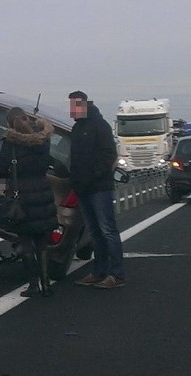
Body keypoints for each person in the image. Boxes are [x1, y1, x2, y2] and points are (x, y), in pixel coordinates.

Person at [68, 90, 126, 288]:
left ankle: (116, 275)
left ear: (84, 104)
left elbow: (108, 154)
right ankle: (99, 271)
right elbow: (74, 159)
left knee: (107, 230)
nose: (72, 110)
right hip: (83, 188)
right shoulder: (77, 129)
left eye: (75, 105)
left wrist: (91, 176)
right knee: (94, 233)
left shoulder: (99, 126)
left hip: (99, 187)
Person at [0, 107, 58, 297]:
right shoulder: (43, 140)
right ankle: (46, 284)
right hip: (42, 193)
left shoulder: (10, 143)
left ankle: (33, 285)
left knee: (25, 242)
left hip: (21, 196)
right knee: (41, 241)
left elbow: (2, 168)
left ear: (10, 123)